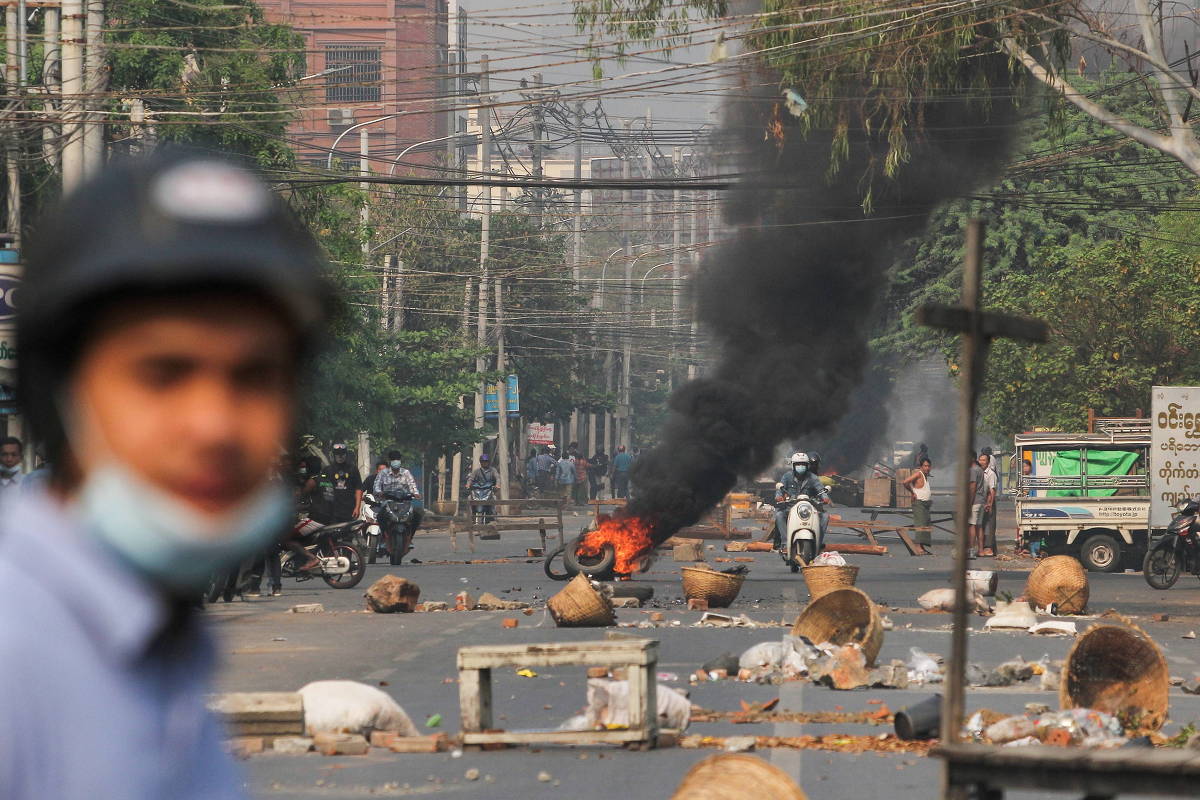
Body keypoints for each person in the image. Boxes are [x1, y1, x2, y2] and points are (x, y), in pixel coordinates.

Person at [0, 153, 330, 798]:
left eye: (255, 376)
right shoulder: (16, 650)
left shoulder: (156, 637)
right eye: (162, 373)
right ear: (58, 391)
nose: (215, 426)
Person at [772, 452, 832, 551]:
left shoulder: (813, 477)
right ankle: (786, 543)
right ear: (793, 465)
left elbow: (820, 489)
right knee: (779, 515)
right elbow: (780, 488)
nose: (801, 466)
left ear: (807, 465)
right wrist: (779, 497)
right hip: (791, 507)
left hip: (810, 507)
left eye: (803, 464)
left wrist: (825, 497)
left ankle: (818, 542)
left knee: (825, 516)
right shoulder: (787, 476)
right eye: (798, 464)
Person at [310, 442, 362, 525]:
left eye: (342, 454)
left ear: (346, 454)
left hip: (349, 510)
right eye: (337, 454)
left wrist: (357, 507)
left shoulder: (353, 469)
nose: (340, 456)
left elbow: (358, 488)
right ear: (334, 455)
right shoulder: (327, 470)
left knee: (347, 535)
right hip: (332, 511)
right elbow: (319, 485)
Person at [375, 450, 424, 533]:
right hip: (388, 502)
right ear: (390, 461)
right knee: (380, 516)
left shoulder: (406, 473)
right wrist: (379, 492)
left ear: (400, 461)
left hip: (404, 502)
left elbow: (412, 485)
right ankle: (384, 536)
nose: (396, 461)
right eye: (393, 459)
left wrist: (416, 493)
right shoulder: (383, 473)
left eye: (397, 459)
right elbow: (377, 485)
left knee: (417, 516)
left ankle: (409, 536)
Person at [902, 456, 933, 552]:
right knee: (920, 524)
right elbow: (905, 482)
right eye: (925, 466)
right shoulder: (918, 474)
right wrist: (912, 492)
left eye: (928, 466)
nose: (927, 468)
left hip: (926, 504)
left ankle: (922, 545)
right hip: (918, 503)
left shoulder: (926, 475)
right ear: (921, 467)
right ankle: (917, 546)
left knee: (926, 524)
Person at [968, 452, 993, 559]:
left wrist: (969, 503)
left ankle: (971, 551)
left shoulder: (973, 470)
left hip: (975, 502)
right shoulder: (980, 470)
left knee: (972, 526)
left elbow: (973, 487)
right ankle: (981, 550)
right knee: (979, 527)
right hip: (981, 501)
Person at [468, 453, 500, 521]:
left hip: (489, 491)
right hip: (478, 491)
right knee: (469, 498)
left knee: (494, 498)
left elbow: (497, 478)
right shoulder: (477, 471)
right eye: (483, 461)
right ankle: (470, 515)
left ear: (489, 462)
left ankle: (493, 515)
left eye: (486, 461)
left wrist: (497, 485)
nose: (484, 463)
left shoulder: (493, 470)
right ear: (480, 462)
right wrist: (468, 484)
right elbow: (471, 478)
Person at [980, 446, 999, 557]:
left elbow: (992, 490)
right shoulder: (979, 472)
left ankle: (989, 547)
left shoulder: (990, 473)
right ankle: (989, 547)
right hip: (982, 501)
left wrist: (990, 504)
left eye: (983, 460)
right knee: (982, 525)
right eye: (980, 459)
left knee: (990, 525)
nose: (981, 462)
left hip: (989, 501)